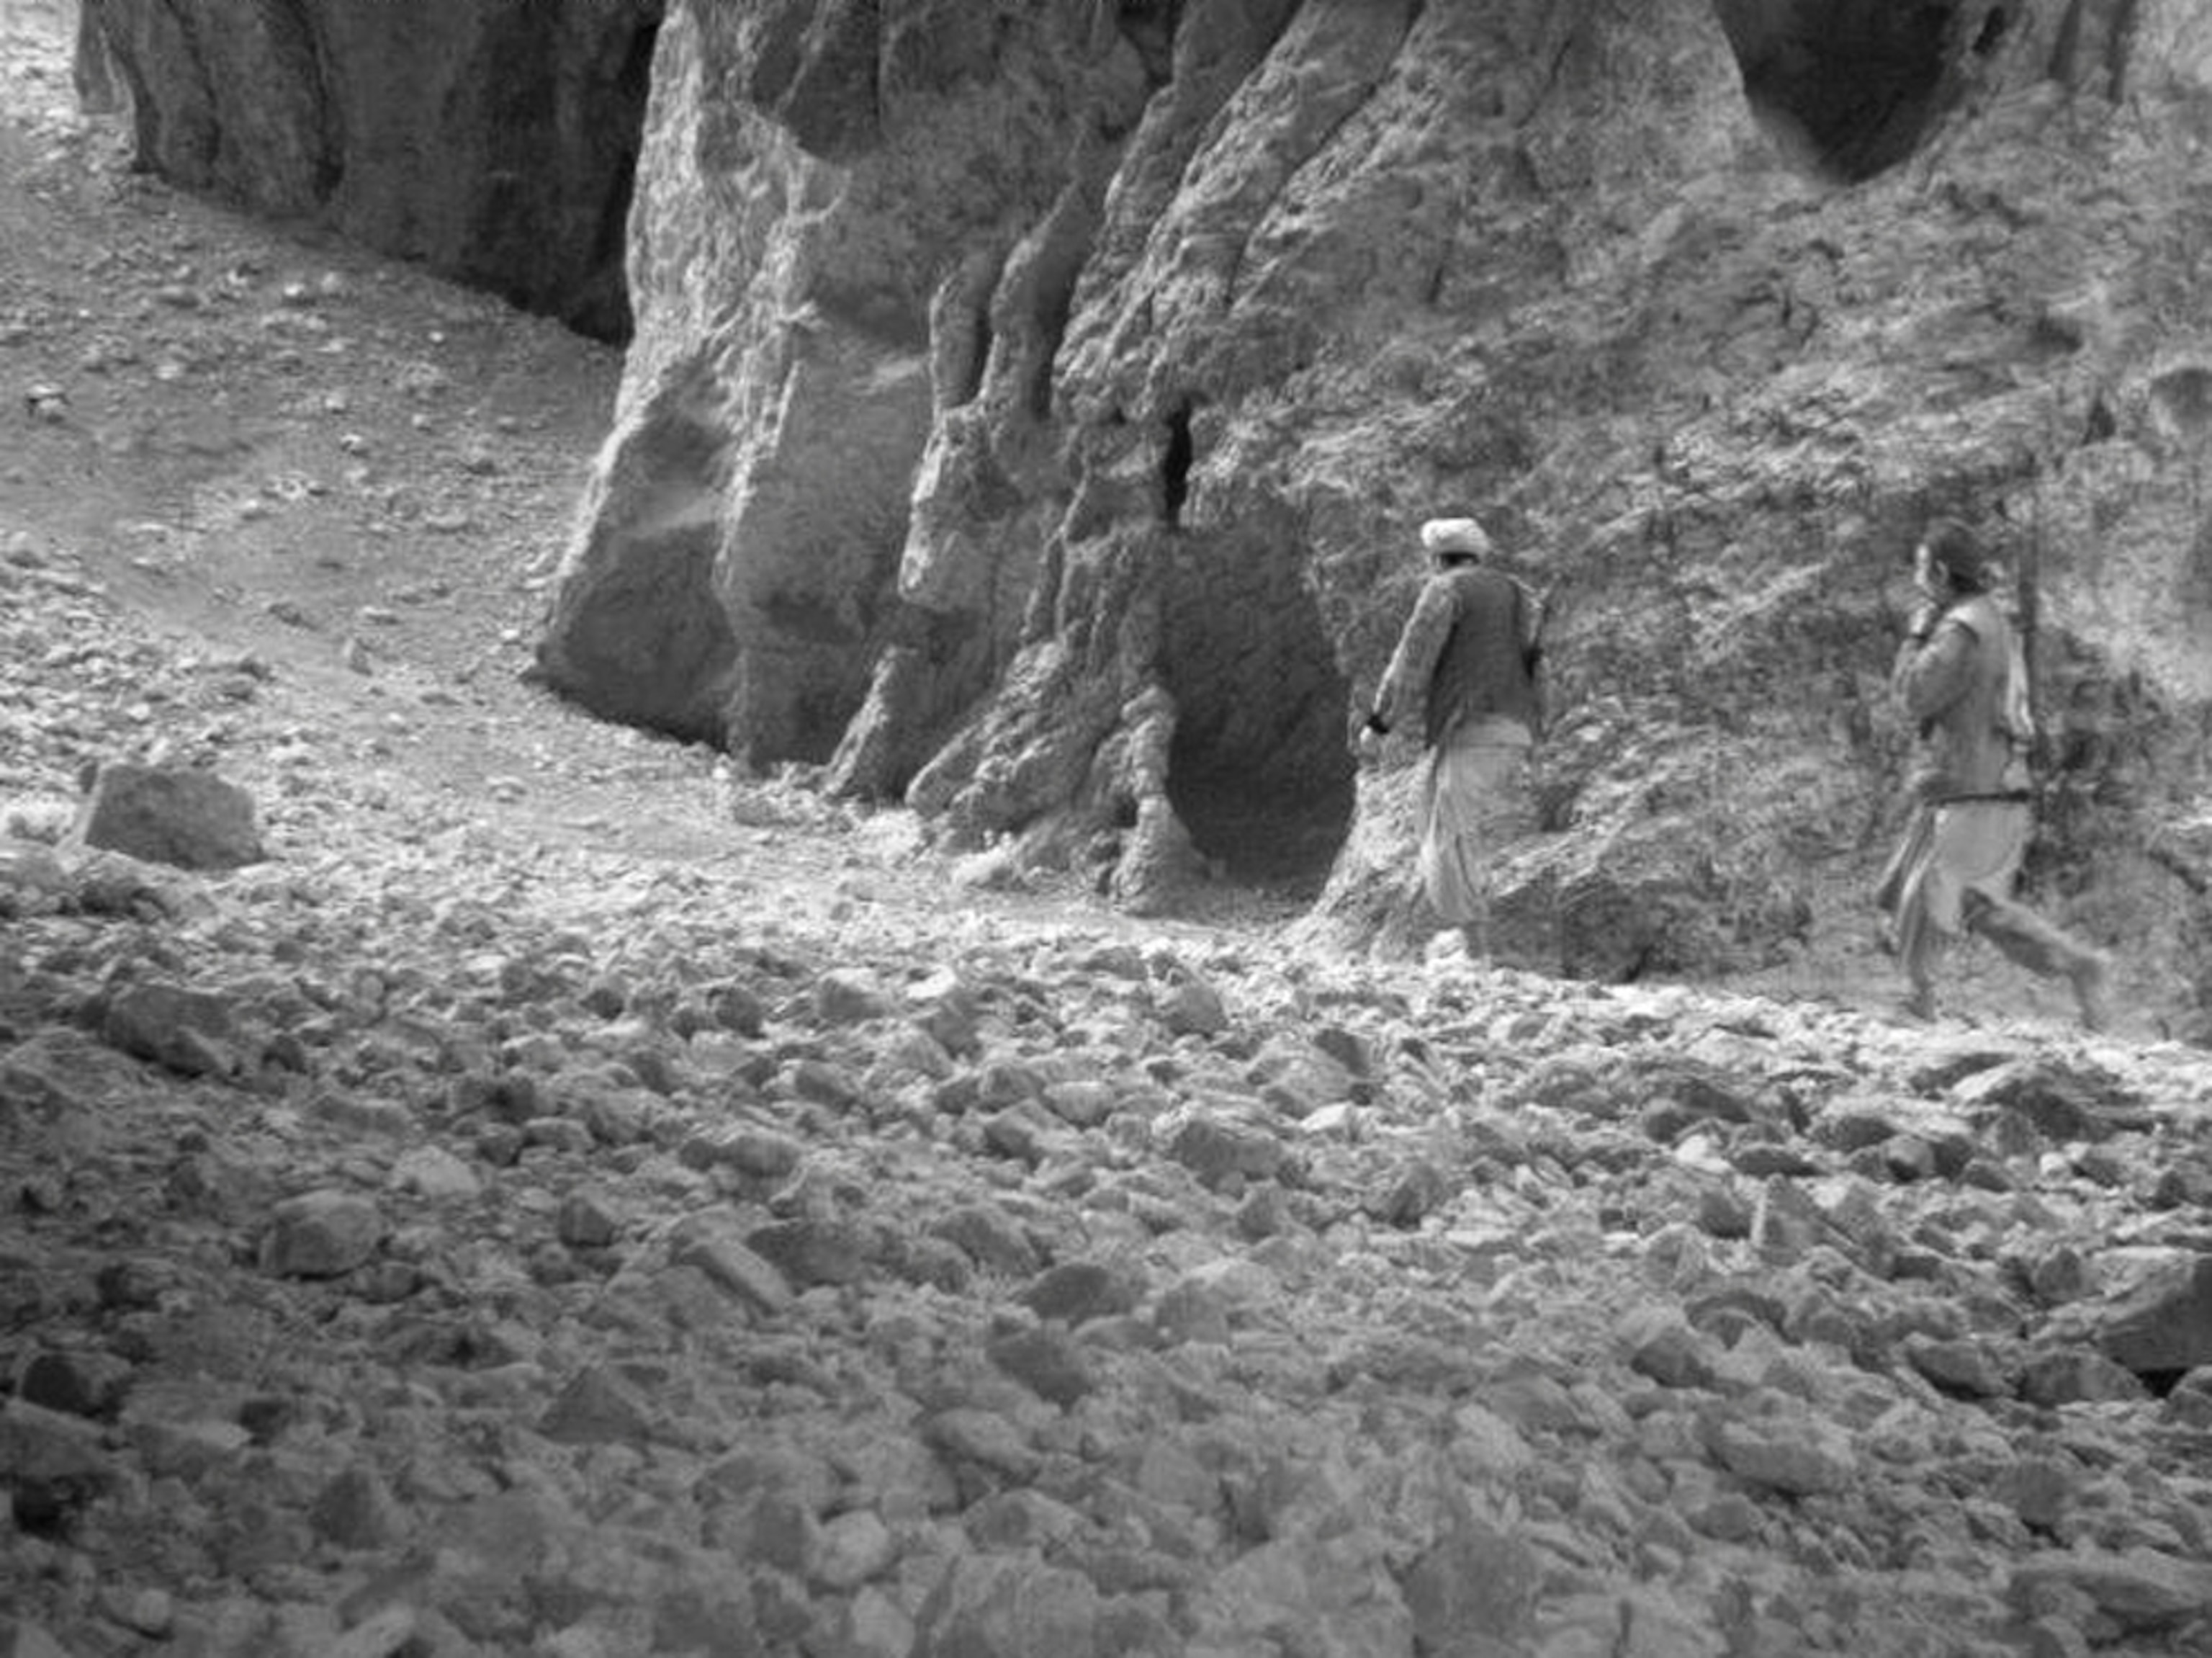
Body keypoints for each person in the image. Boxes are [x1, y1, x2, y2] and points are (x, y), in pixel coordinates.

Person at [1873, 516, 2113, 1030]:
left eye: (1921, 565)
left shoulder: (1960, 628)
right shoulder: (1992, 619)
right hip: (1986, 783)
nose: (1918, 576)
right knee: (1949, 899)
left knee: (1929, 891)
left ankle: (1917, 997)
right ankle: (2079, 965)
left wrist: (1917, 634)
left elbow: (1916, 695)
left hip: (1968, 787)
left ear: (1938, 571)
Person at [1357, 516, 1543, 963]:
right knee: (1436, 815)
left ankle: (1475, 950)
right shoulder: (1517, 592)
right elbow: (1537, 661)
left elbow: (1413, 659)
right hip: (1514, 728)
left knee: (1445, 831)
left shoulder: (1445, 591)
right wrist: (1541, 724)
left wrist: (1380, 723)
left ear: (1436, 558)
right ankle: (1468, 939)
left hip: (1472, 726)